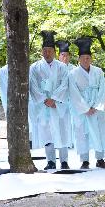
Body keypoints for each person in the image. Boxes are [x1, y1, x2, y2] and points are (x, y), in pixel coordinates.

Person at [29, 31, 72, 170]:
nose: (47, 53)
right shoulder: (34, 67)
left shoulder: (62, 67)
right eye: (44, 50)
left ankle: (64, 161)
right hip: (44, 106)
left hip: (58, 105)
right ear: (41, 51)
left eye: (50, 50)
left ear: (54, 51)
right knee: (47, 133)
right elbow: (33, 85)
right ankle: (50, 161)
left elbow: (65, 84)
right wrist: (44, 99)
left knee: (62, 131)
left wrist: (54, 99)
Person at [68, 37, 105, 169]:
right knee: (82, 133)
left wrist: (97, 105)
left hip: (96, 108)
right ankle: (85, 160)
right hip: (82, 109)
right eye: (83, 58)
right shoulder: (73, 73)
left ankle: (100, 158)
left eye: (88, 58)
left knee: (99, 131)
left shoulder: (98, 71)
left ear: (91, 58)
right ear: (79, 59)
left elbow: (103, 89)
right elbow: (73, 93)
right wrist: (86, 108)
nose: (86, 60)